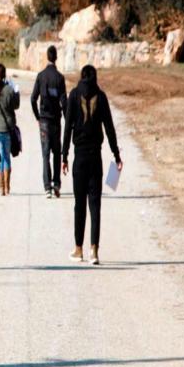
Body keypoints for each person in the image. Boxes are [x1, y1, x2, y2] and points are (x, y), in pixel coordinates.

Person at [62, 64, 123, 265]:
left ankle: (78, 249)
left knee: (79, 204)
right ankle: (94, 251)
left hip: (79, 157)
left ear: (81, 77)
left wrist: (64, 156)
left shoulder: (73, 95)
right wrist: (116, 155)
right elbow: (110, 127)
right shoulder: (101, 97)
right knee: (95, 205)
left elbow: (68, 127)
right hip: (96, 157)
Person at [30, 45, 67, 199]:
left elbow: (33, 99)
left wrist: (37, 117)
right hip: (56, 121)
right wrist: (68, 119)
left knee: (45, 154)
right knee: (57, 153)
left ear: (47, 57)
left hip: (44, 120)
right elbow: (64, 101)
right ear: (56, 57)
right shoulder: (60, 78)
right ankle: (56, 183)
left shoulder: (41, 76)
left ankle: (47, 188)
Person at [0, 63, 20, 196]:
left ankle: (1, 187)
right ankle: (7, 186)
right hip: (8, 128)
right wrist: (16, 92)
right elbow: (16, 105)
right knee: (6, 156)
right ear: (5, 75)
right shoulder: (9, 90)